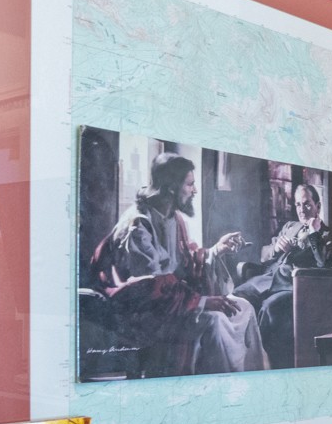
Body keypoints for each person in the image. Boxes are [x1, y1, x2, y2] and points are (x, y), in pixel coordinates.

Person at [88, 152, 266, 376]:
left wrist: (215, 251)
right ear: (171, 188)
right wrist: (201, 302)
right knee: (214, 321)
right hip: (140, 312)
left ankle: (249, 382)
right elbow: (148, 287)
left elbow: (184, 266)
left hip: (173, 302)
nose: (195, 190)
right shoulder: (137, 226)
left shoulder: (174, 218)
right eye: (190, 184)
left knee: (244, 307)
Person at [237, 182, 332, 368]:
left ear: (318, 206)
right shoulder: (290, 226)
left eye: (307, 204)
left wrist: (313, 232)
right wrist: (276, 248)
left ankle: (265, 365)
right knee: (236, 299)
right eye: (298, 204)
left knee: (269, 309)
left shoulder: (328, 235)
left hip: (294, 288)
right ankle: (241, 360)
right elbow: (263, 254)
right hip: (267, 280)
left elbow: (323, 262)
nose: (302, 210)